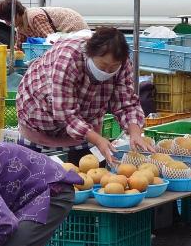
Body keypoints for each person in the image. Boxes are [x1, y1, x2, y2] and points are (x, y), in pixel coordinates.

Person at [17, 26, 150, 165]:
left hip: (86, 121)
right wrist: (98, 139)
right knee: (36, 171)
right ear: (90, 54)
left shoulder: (123, 64)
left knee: (86, 168)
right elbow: (66, 114)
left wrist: (135, 132)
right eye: (103, 65)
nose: (107, 71)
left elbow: (127, 102)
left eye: (113, 67)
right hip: (41, 114)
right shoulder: (69, 59)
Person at [0, 0, 89, 46]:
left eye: (8, 19)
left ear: (16, 14)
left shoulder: (35, 17)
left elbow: (51, 42)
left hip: (77, 32)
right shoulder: (21, 26)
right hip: (64, 36)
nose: (7, 23)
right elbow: (18, 48)